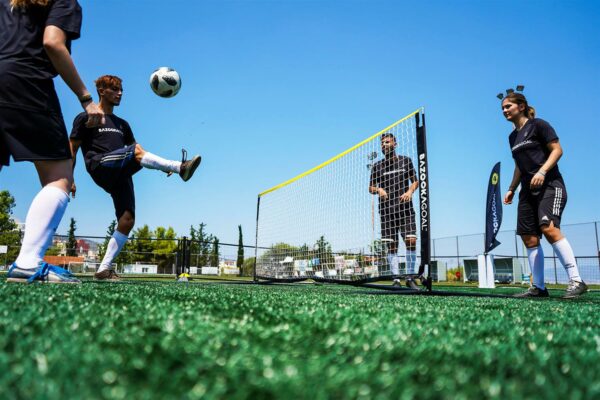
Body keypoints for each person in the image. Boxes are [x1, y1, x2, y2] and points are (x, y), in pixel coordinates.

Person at [1, 0, 104, 283]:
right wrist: (86, 99)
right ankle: (28, 263)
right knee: (59, 176)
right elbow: (53, 43)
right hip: (25, 81)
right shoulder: (62, 1)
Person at [70, 75, 201, 281]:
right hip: (99, 164)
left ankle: (103, 269)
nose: (120, 93)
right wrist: (69, 176)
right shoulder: (86, 117)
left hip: (120, 170)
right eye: (115, 89)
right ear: (102, 91)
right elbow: (73, 148)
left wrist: (158, 167)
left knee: (127, 219)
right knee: (135, 151)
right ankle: (179, 167)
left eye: (121, 89)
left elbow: (138, 151)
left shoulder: (123, 124)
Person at [502, 93, 587, 298]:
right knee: (529, 237)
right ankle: (538, 287)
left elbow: (557, 150)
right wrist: (512, 188)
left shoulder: (539, 125)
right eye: (502, 108)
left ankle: (577, 281)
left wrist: (542, 171)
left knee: (548, 228)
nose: (505, 110)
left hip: (550, 185)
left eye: (508, 106)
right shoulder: (512, 137)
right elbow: (519, 166)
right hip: (526, 192)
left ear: (521, 106)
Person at [369, 133, 419, 288]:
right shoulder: (377, 166)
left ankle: (410, 277)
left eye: (387, 142)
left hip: (405, 209)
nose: (384, 144)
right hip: (386, 211)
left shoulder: (406, 161)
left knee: (411, 241)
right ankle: (396, 279)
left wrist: (410, 192)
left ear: (395, 144)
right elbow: (370, 188)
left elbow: (415, 181)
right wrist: (379, 190)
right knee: (392, 245)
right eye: (382, 143)